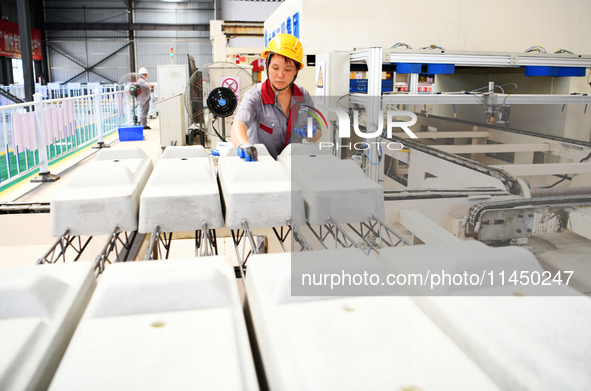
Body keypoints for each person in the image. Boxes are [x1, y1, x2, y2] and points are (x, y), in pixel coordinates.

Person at [231, 33, 322, 160]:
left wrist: (311, 133)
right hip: (263, 166)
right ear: (267, 66)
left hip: (293, 167)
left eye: (288, 70)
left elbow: (318, 134)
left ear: (296, 71)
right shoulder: (256, 96)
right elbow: (239, 125)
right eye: (275, 68)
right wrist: (243, 144)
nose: (280, 75)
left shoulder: (303, 96)